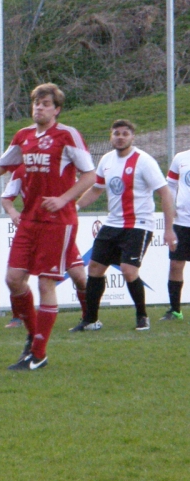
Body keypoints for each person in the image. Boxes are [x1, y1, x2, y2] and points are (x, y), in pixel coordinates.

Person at [0, 83, 95, 371]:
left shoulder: (67, 135)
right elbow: (0, 166)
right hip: (29, 220)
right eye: (37, 103)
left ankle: (38, 354)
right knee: (14, 279)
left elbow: (90, 175)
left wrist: (64, 199)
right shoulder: (23, 136)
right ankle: (33, 336)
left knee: (45, 283)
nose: (39, 108)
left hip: (58, 221)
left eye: (46, 104)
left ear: (57, 109)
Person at [74, 120, 176, 331]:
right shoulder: (106, 160)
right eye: (116, 133)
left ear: (132, 137)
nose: (120, 137)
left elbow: (165, 193)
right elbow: (97, 189)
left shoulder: (144, 161)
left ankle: (142, 316)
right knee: (94, 268)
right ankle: (90, 320)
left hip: (138, 225)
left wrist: (168, 229)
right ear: (111, 136)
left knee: (129, 271)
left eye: (125, 134)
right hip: (113, 224)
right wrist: (75, 206)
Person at [0, 165, 89, 329]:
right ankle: (18, 317)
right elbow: (6, 198)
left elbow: (83, 185)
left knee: (79, 276)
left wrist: (67, 202)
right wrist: (12, 212)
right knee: (18, 278)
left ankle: (89, 318)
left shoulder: (59, 168)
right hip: (33, 229)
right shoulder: (21, 171)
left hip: (59, 230)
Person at [164, 145, 190, 320]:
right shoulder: (181, 157)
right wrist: (171, 206)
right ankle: (175, 310)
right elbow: (171, 185)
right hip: (182, 222)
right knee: (175, 265)